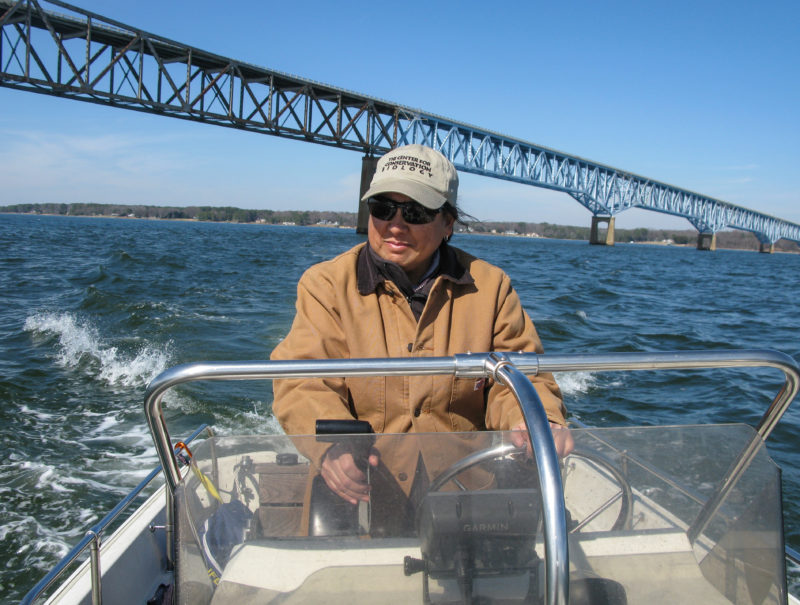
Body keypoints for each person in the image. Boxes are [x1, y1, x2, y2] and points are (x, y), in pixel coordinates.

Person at [271, 144, 571, 506]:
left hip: (468, 496)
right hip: (362, 495)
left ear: (448, 223)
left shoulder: (491, 287)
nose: (395, 225)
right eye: (382, 208)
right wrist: (332, 448)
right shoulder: (326, 285)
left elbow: (520, 377)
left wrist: (534, 420)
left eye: (415, 212)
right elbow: (302, 379)